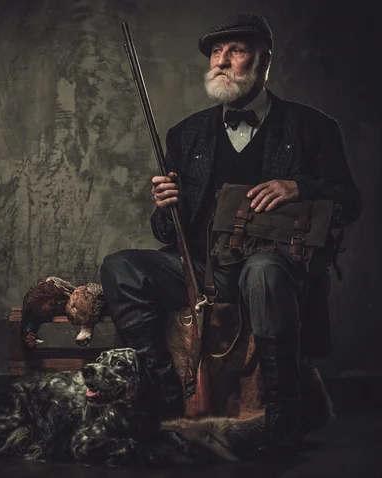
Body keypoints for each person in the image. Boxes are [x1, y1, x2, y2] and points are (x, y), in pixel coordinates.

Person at [100, 13, 361, 453]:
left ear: (264, 62)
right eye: (216, 53)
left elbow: (349, 202)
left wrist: (300, 185)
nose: (221, 61)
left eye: (235, 51)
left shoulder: (313, 127)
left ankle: (282, 411)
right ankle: (162, 391)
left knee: (261, 271)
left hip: (275, 269)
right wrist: (167, 204)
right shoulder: (187, 134)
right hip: (206, 268)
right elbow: (168, 231)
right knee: (121, 267)